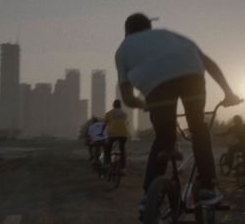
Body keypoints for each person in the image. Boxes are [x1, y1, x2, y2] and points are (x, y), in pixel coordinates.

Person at [114, 12, 242, 207]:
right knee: (198, 127)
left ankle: (150, 195)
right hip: (191, 75)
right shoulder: (169, 35)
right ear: (149, 28)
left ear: (126, 32)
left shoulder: (122, 50)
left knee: (163, 138)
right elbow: (209, 63)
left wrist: (144, 105)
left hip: (156, 86)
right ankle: (208, 187)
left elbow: (128, 97)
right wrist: (228, 92)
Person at [102, 99, 130, 174]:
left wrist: (101, 132)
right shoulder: (124, 113)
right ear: (120, 105)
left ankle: (107, 163)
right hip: (124, 134)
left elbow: (104, 124)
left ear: (113, 105)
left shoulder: (109, 113)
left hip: (112, 134)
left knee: (108, 147)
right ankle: (123, 168)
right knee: (122, 150)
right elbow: (126, 123)